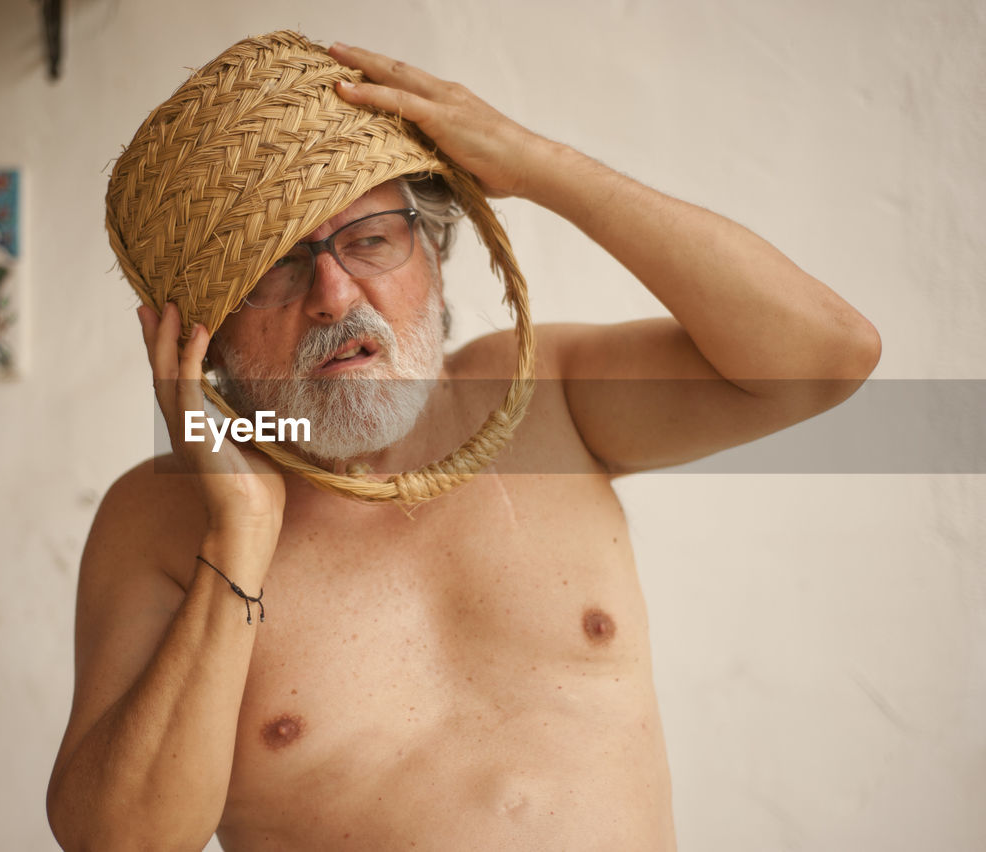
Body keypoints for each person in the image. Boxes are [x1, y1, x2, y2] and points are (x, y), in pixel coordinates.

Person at [46, 40, 881, 851]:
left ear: (437, 253)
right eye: (276, 268)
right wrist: (238, 537)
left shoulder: (542, 398)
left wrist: (539, 163)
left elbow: (826, 358)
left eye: (371, 239)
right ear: (204, 337)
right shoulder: (162, 518)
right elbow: (119, 843)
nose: (335, 296)